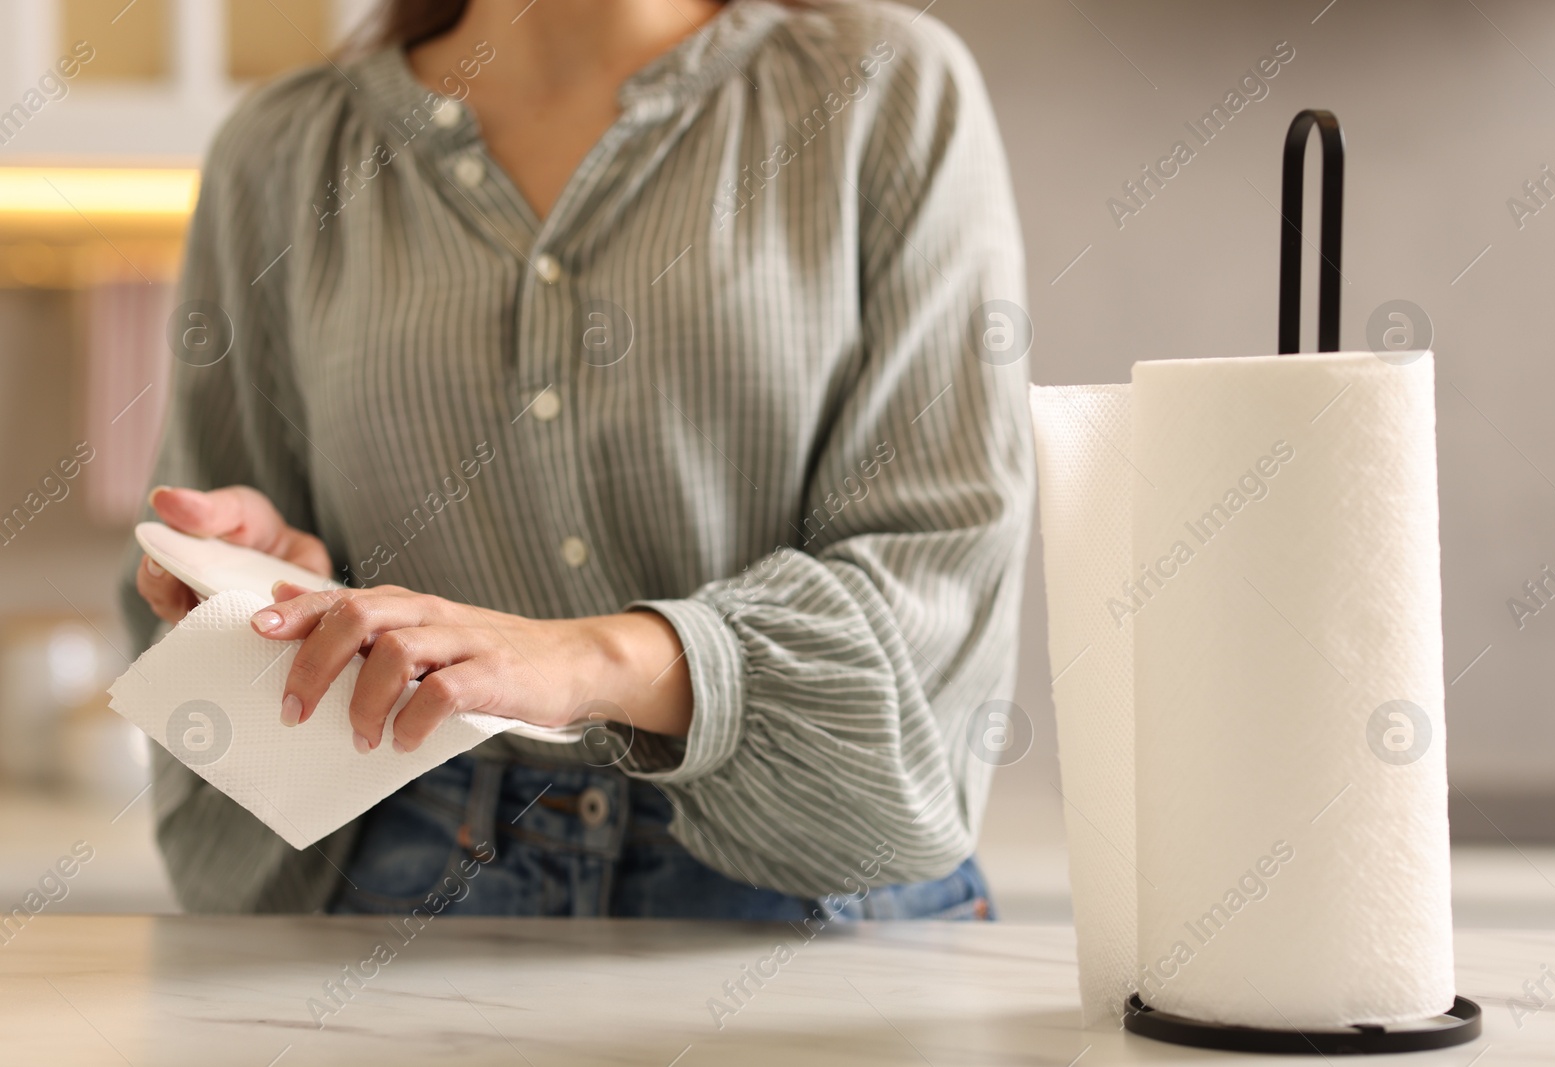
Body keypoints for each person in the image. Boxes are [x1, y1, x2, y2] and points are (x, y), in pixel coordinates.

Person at [124, 0, 1032, 920]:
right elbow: (221, 688)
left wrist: (583, 661)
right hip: (413, 883)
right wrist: (273, 597)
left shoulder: (885, 86)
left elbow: (934, 579)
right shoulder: (279, 152)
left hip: (805, 890)